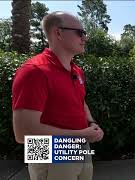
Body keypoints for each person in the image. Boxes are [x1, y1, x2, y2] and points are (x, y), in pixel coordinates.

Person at [12, 11, 104, 180]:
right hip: (49, 152)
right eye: (80, 32)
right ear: (58, 33)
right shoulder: (33, 72)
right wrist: (83, 134)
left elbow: (79, 101)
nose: (85, 38)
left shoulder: (76, 70)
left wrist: (92, 123)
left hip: (80, 145)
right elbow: (23, 133)